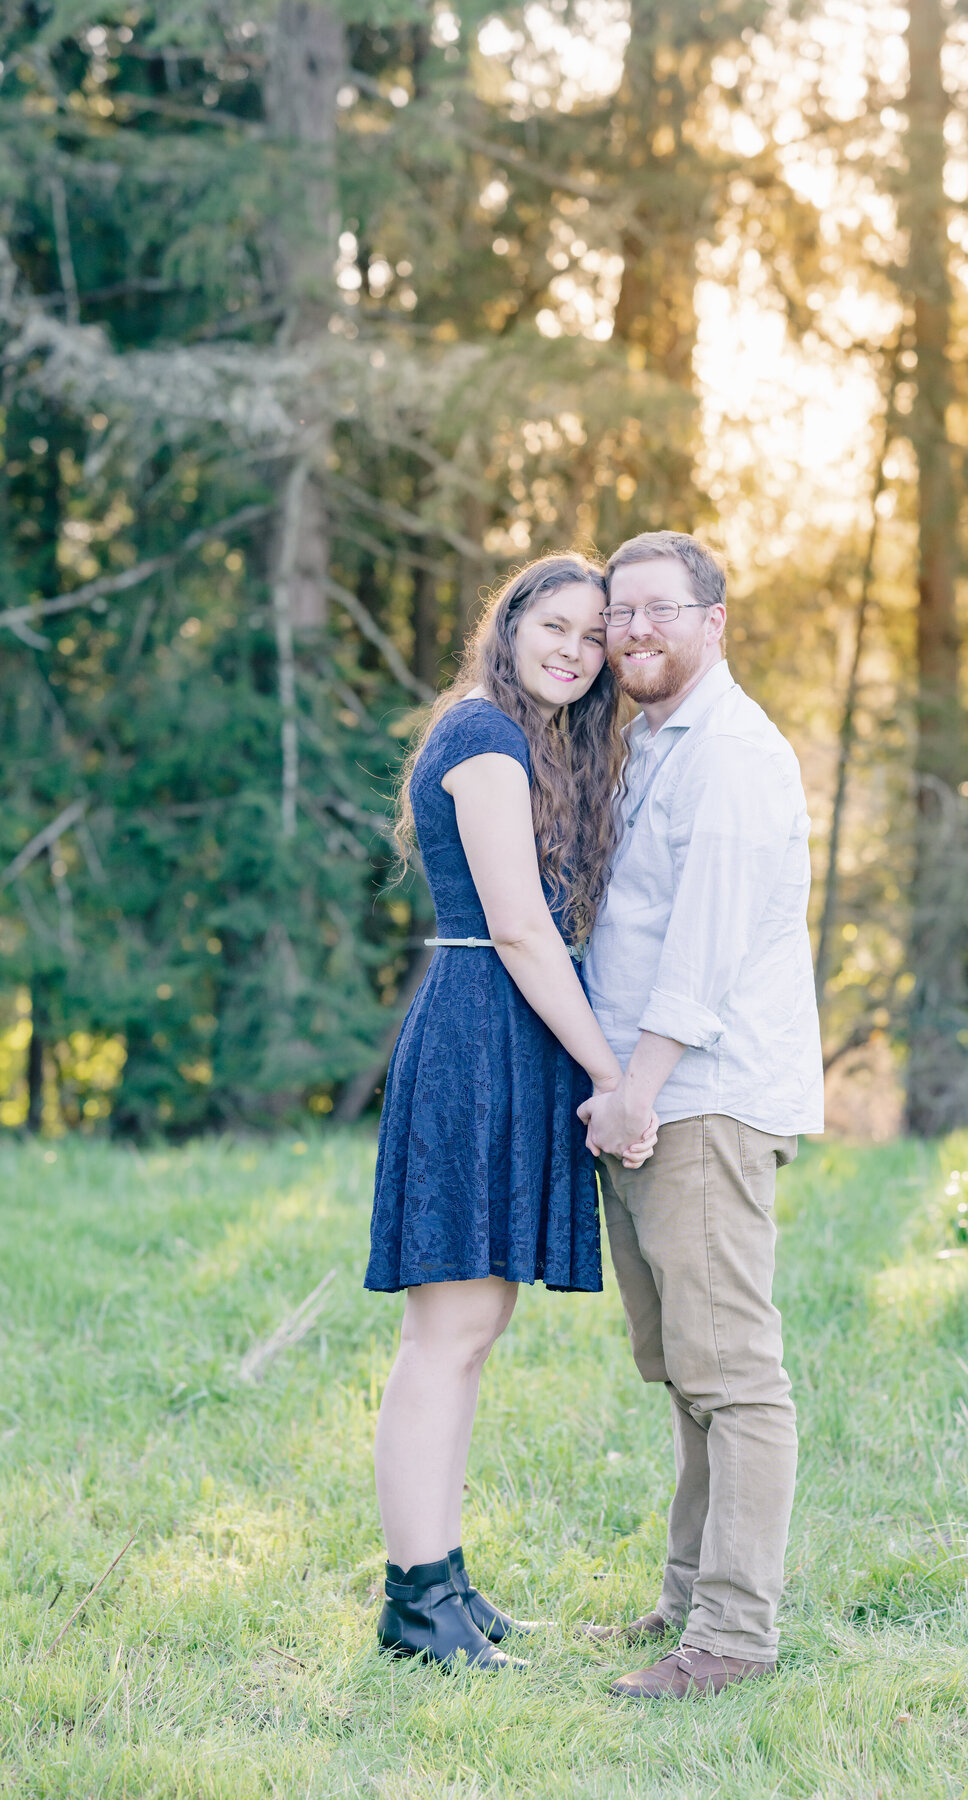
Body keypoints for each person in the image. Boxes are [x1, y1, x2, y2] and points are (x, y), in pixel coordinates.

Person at [366, 553, 657, 1671]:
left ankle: (441, 1579)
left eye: (595, 637)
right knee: (444, 1331)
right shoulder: (484, 738)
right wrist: (609, 1076)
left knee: (473, 1326)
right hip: (478, 1038)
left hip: (503, 1034)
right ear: (512, 620)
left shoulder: (511, 735)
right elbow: (525, 929)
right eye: (557, 624)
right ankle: (412, 1603)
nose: (576, 651)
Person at [578, 530, 823, 1699]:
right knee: (689, 1375)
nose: (635, 631)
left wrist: (640, 1090)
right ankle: (685, 1601)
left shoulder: (733, 753)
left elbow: (706, 951)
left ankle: (731, 1640)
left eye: (660, 611)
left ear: (714, 621)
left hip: (701, 1099)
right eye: (621, 612)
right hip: (651, 1099)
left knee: (735, 1379)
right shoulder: (652, 745)